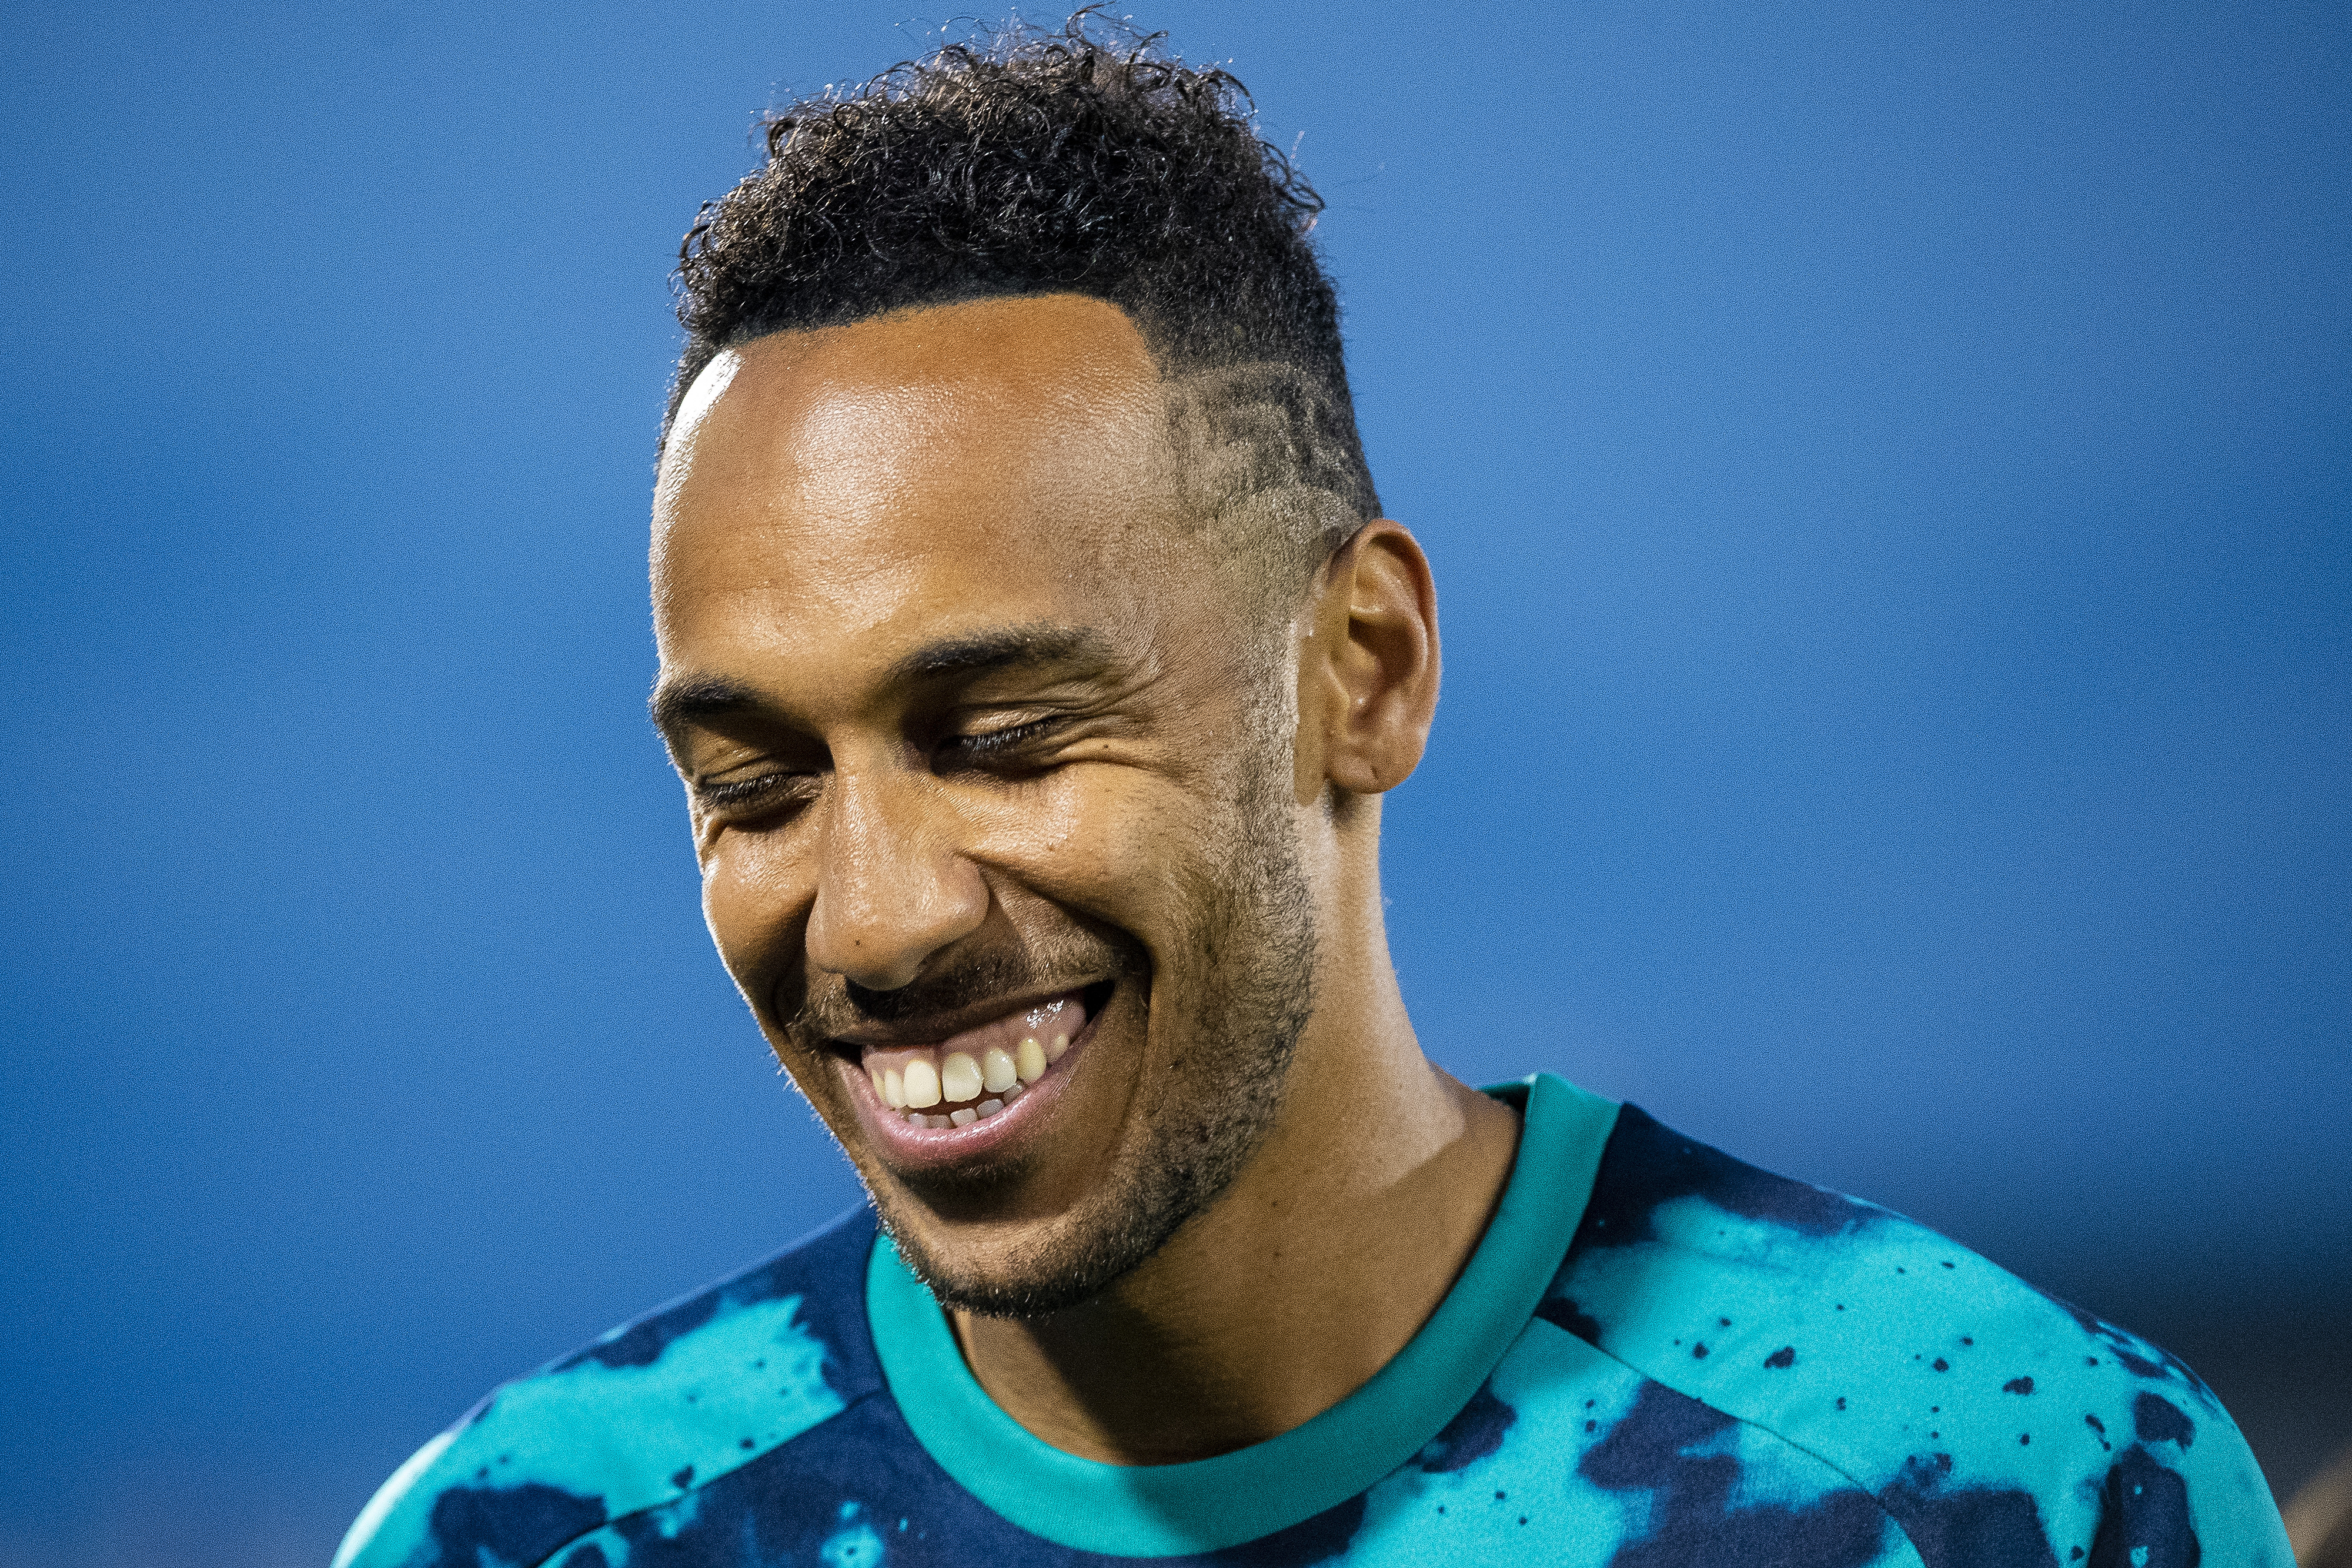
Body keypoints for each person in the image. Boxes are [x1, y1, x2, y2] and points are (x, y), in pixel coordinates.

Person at [333, 15, 2291, 1566]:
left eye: (1007, 739)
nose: (879, 915)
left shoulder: (2009, 1488)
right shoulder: (523, 1538)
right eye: (756, 785)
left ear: (1364, 673)